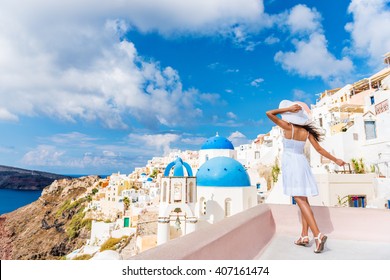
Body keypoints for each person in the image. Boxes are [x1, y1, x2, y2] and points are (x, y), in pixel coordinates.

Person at [266, 100, 346, 253]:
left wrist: (287, 108)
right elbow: (320, 150)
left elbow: (268, 113)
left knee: (300, 200)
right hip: (302, 162)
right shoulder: (306, 132)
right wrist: (336, 160)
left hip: (291, 164)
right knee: (304, 201)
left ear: (289, 115)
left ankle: (317, 235)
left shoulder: (287, 127)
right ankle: (304, 236)